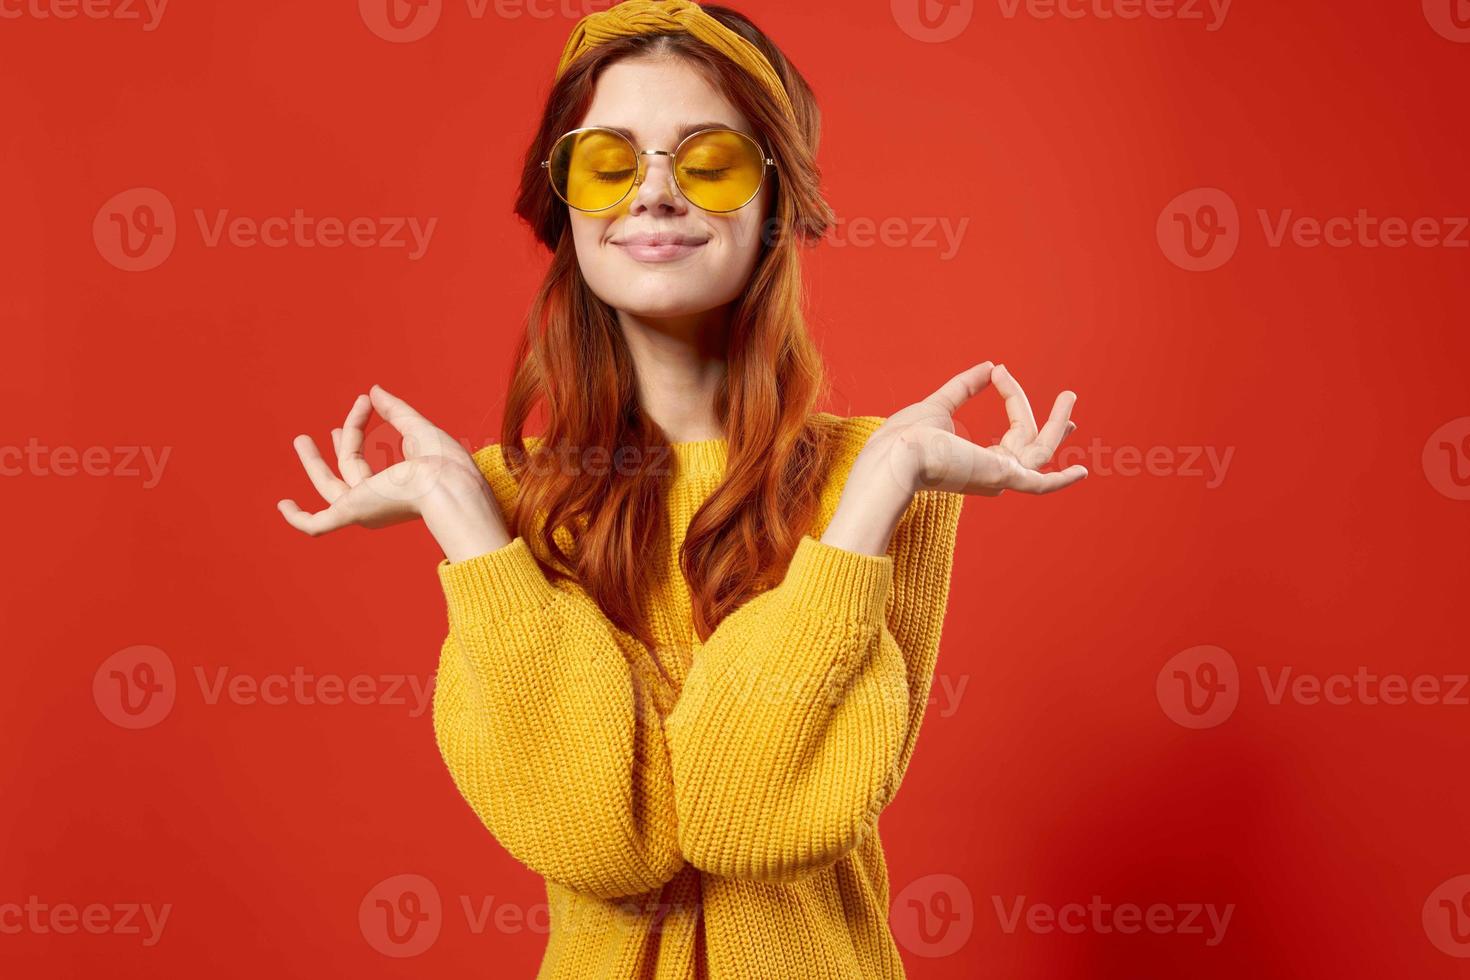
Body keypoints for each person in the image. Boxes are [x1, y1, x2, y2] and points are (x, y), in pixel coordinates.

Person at [276, 1, 1086, 975]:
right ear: (565, 204)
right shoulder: (501, 506)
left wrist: (879, 494)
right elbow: (604, 842)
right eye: (610, 163)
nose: (654, 195)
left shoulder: (882, 478)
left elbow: (748, 821)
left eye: (709, 163)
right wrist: (466, 521)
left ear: (776, 202)